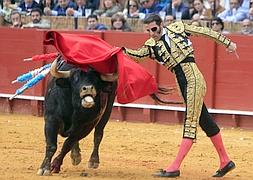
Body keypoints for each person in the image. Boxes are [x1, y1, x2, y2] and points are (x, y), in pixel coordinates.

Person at [123, 13, 236, 178]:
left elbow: (205, 32)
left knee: (190, 123)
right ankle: (225, 161)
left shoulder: (178, 28)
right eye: (148, 31)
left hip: (194, 80)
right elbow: (137, 55)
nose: (152, 33)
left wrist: (227, 42)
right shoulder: (151, 45)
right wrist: (120, 51)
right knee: (205, 120)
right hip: (182, 84)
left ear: (161, 24)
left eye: (154, 29)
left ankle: (174, 166)